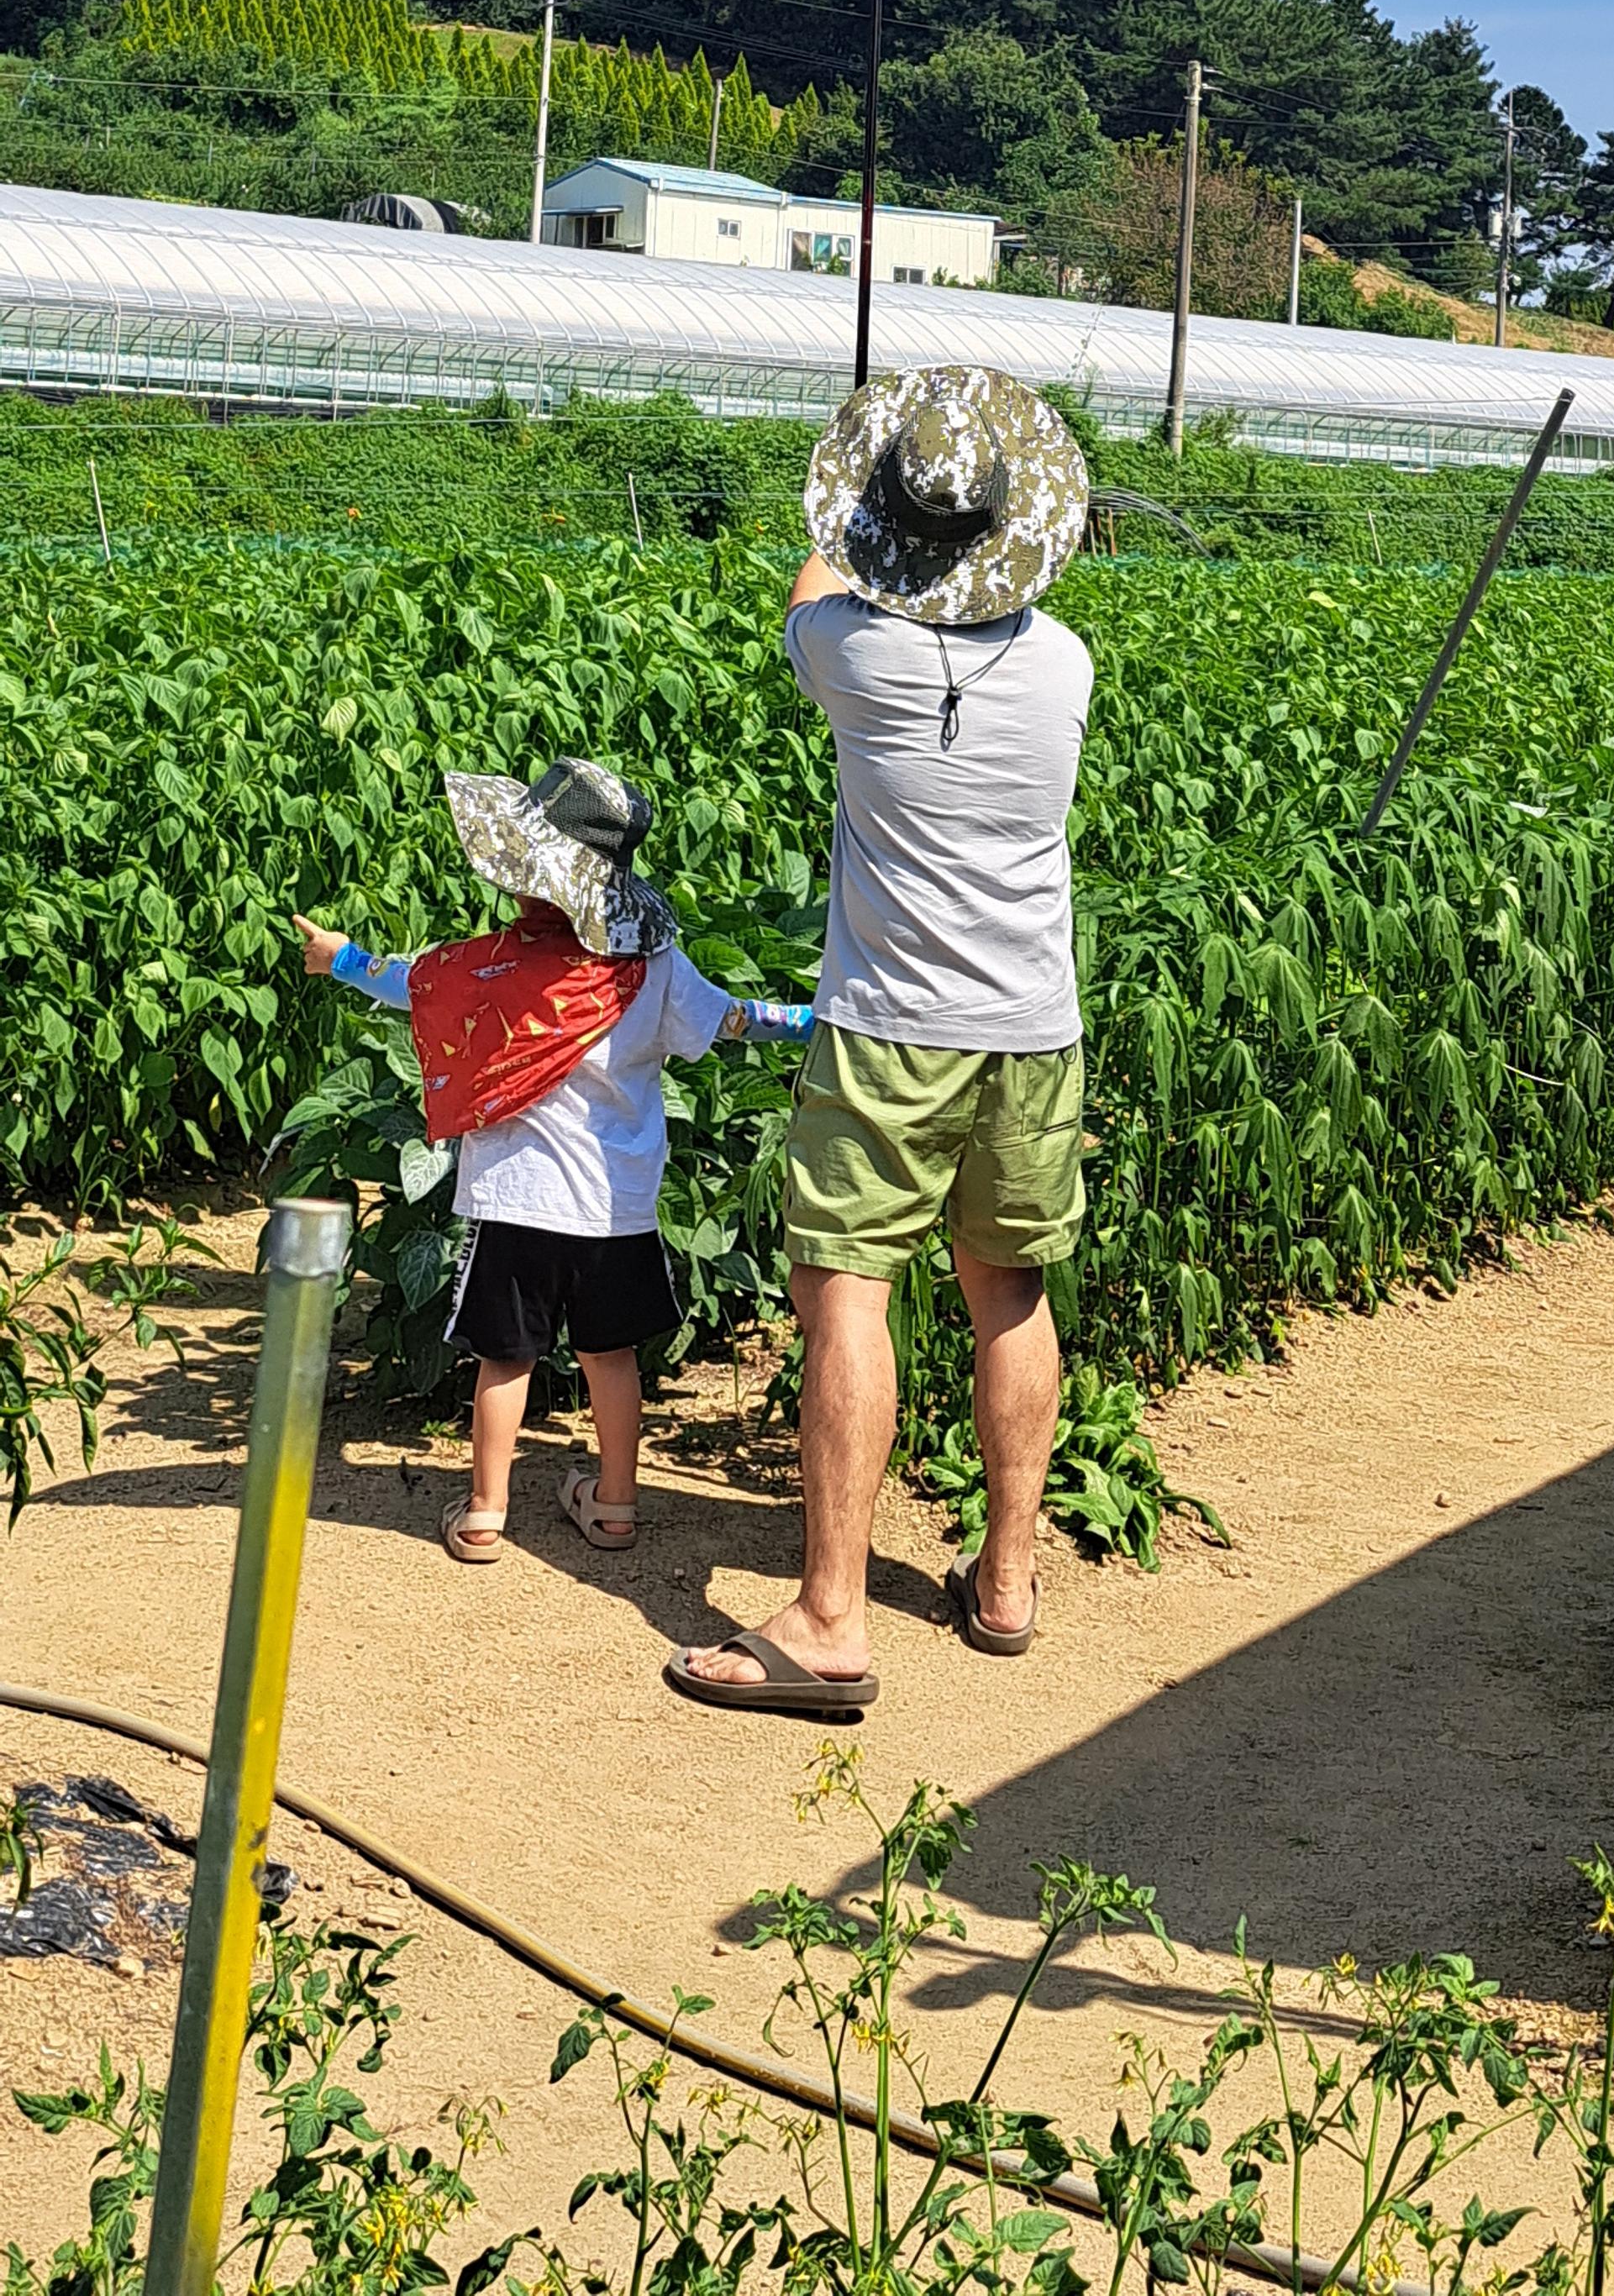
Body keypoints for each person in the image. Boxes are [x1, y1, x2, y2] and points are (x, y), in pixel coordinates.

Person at [667, 364, 1092, 1717]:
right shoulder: (1064, 665)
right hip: (1032, 1028)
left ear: (892, 531)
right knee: (1008, 1293)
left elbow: (813, 586)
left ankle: (830, 1619)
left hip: (891, 1027)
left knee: (847, 1295)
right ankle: (1007, 1579)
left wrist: (852, 508)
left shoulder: (852, 653)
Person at [296, 753, 810, 1565]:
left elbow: (413, 983)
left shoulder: (490, 967)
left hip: (516, 1200)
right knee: (612, 1357)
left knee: (505, 1358)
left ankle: (484, 1513)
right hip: (616, 1207)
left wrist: (342, 957)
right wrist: (819, 1019)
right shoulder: (654, 968)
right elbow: (736, 1021)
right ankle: (616, 1506)